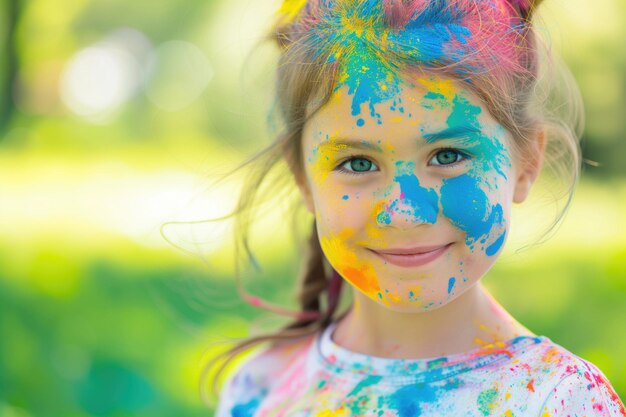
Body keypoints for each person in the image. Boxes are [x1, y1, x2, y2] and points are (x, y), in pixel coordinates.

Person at [209, 0, 626, 415]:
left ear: (526, 163)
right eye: (357, 163)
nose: (406, 212)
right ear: (303, 177)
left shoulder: (559, 400)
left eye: (447, 156)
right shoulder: (258, 391)